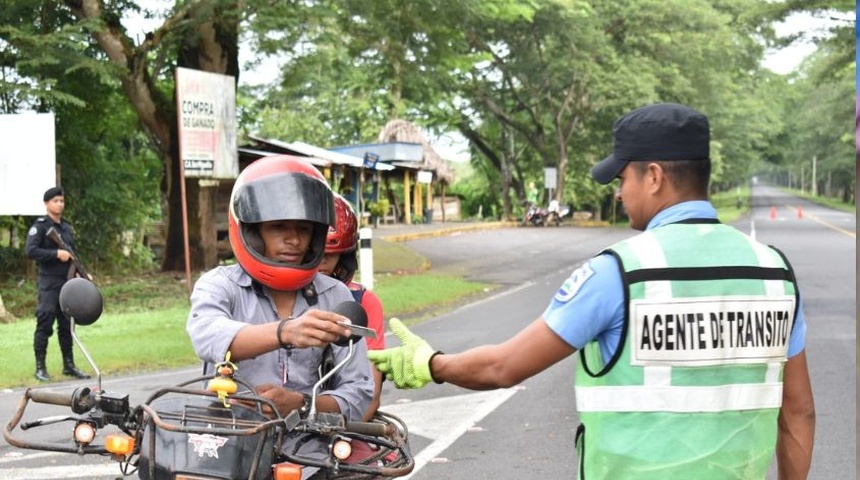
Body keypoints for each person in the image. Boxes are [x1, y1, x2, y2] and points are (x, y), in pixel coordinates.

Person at [368, 103, 815, 479]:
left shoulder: (621, 272)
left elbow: (502, 368)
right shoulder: (773, 270)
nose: (619, 194)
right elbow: (798, 413)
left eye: (622, 179)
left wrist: (432, 363)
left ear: (654, 176)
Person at [186, 156, 374, 478]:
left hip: (313, 455)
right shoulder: (220, 285)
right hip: (227, 448)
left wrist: (300, 402)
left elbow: (359, 390)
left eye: (303, 229)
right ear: (252, 231)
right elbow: (207, 334)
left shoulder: (335, 296)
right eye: (278, 227)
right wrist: (285, 331)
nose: (294, 240)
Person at [318, 193, 387, 464]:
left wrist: (334, 431)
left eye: (328, 256)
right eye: (312, 254)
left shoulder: (361, 302)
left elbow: (369, 392)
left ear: (344, 257)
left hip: (339, 423)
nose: (318, 263)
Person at [24, 186, 91, 382]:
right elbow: (30, 251)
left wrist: (82, 271)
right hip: (49, 283)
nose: (59, 204)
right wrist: (55, 254)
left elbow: (73, 254)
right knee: (44, 322)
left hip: (67, 282)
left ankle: (69, 365)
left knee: (66, 324)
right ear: (47, 204)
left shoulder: (67, 227)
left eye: (61, 201)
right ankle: (40, 368)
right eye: (55, 201)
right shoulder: (41, 226)